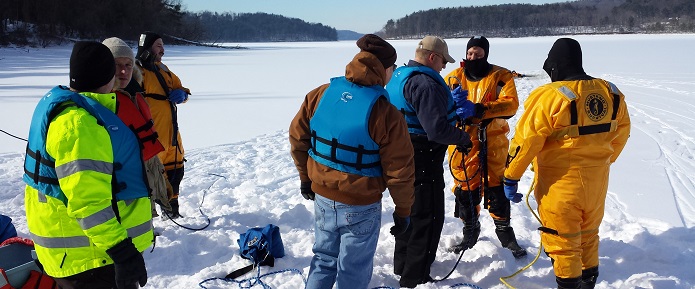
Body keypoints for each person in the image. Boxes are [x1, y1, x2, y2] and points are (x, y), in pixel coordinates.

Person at [289, 34, 415, 289]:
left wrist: (306, 178)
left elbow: (298, 139)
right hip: (361, 205)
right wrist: (404, 212)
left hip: (323, 199)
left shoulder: (320, 94)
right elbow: (400, 171)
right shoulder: (386, 114)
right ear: (384, 69)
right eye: (392, 68)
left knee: (323, 260)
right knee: (353, 270)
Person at [503, 38, 631, 289]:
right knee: (588, 235)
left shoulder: (550, 96)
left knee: (563, 242)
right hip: (596, 184)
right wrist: (602, 160)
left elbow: (526, 140)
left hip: (561, 185)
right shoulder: (611, 92)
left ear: (554, 67)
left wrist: (511, 175)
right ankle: (589, 282)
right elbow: (622, 134)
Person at [23, 41, 152, 289]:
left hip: (77, 256)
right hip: (91, 259)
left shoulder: (65, 110)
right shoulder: (82, 126)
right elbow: (89, 203)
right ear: (108, 76)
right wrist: (122, 252)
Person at [385, 35, 472, 288]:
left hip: (399, 153)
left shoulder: (400, 76)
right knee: (427, 216)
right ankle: (416, 277)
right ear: (432, 57)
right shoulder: (426, 84)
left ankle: (402, 265)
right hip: (423, 157)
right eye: (443, 61)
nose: (444, 66)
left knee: (407, 210)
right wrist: (463, 138)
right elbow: (436, 130)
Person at [443, 36, 526, 258]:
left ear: (485, 54)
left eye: (478, 54)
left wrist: (479, 109)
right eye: (470, 54)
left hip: (494, 141)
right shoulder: (453, 77)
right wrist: (452, 107)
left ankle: (506, 235)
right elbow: (438, 102)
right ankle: (470, 231)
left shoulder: (500, 75)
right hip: (463, 142)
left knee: (497, 187)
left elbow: (511, 104)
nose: (473, 57)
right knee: (465, 187)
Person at [103, 36, 173, 218]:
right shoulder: (101, 101)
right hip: (121, 183)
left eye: (128, 65)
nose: (123, 71)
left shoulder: (135, 92)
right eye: (117, 65)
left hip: (144, 167)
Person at [135, 32, 191, 218]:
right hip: (151, 136)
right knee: (151, 177)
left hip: (172, 134)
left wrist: (182, 94)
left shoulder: (164, 69)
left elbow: (180, 87)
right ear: (147, 47)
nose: (162, 49)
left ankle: (172, 210)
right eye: (159, 45)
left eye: (163, 45)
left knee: (176, 171)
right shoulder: (137, 71)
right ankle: (147, 218)